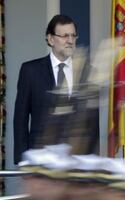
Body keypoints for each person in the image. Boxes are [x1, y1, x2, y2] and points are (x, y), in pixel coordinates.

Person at [14, 14, 99, 164]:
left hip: (77, 161)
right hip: (40, 159)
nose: (70, 41)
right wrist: (22, 160)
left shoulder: (88, 72)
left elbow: (92, 123)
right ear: (51, 39)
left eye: (73, 35)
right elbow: (20, 120)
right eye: (65, 36)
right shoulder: (30, 71)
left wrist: (93, 160)